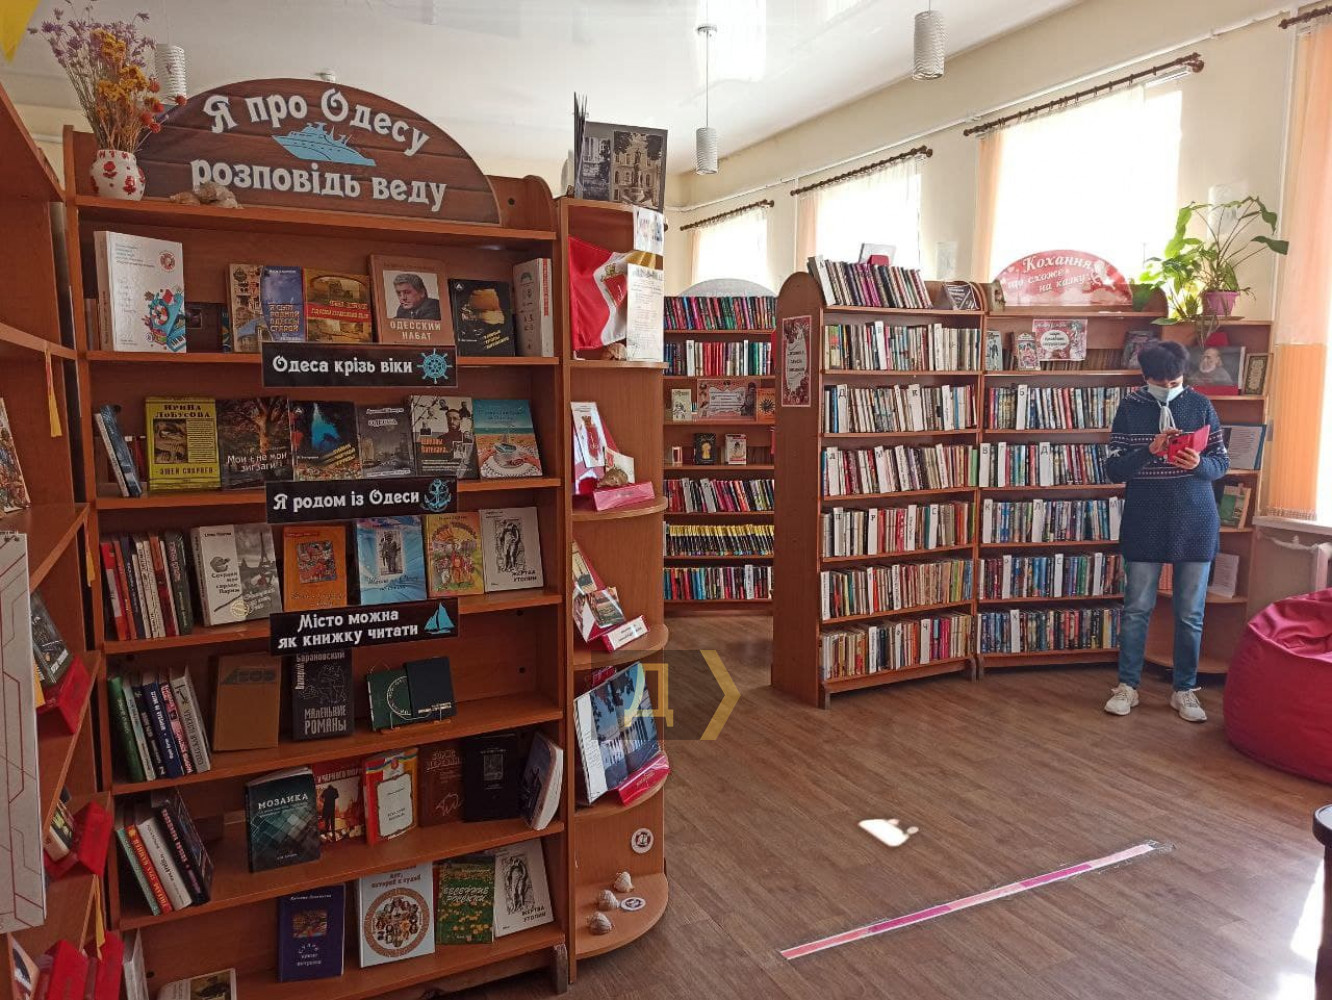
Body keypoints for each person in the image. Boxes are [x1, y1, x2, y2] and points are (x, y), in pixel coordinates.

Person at [1103, 340, 1229, 722]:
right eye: (1161, 383)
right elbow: (1114, 469)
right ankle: (1128, 686)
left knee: (1190, 613)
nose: (1169, 388)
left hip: (1196, 520)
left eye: (1175, 382)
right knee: (1137, 608)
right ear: (1146, 378)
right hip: (1145, 518)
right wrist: (1150, 451)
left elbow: (1221, 464)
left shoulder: (1201, 405)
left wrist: (1197, 464)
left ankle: (1184, 689)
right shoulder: (1130, 407)